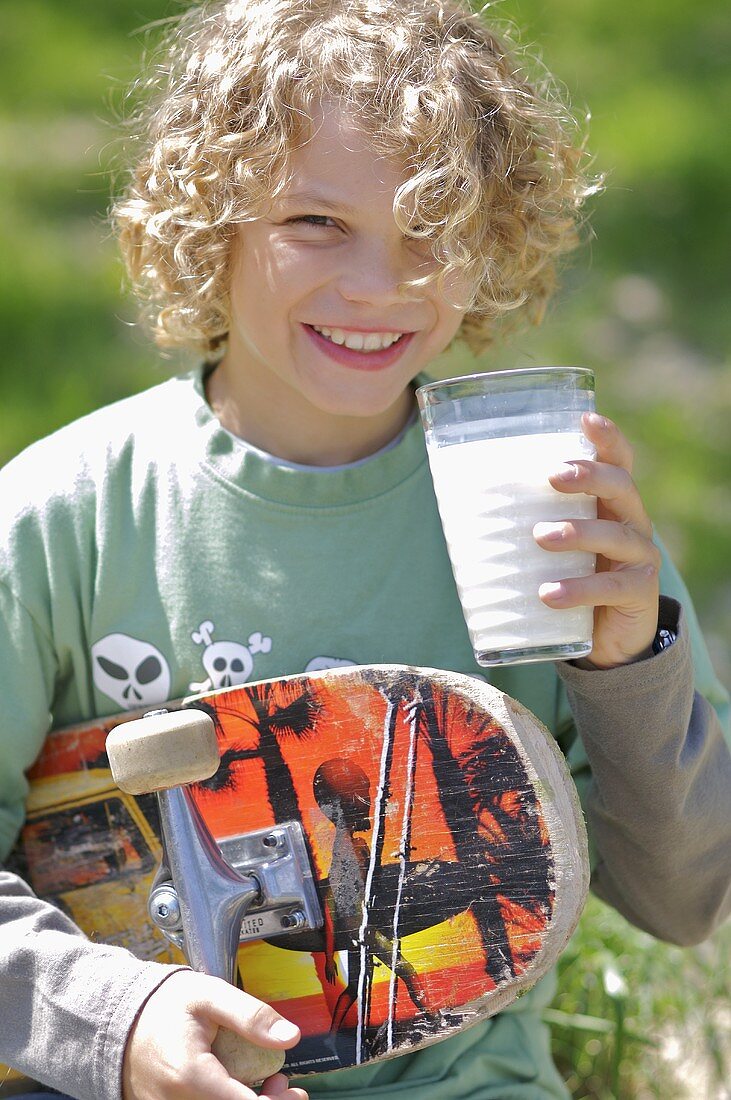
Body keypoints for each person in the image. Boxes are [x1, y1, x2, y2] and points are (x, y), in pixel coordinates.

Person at [1, 0, 729, 1097]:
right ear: (211, 221)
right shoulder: (68, 512)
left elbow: (681, 902)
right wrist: (114, 1018)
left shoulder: (547, 515)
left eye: (432, 226)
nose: (379, 284)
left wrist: (629, 665)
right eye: (314, 222)